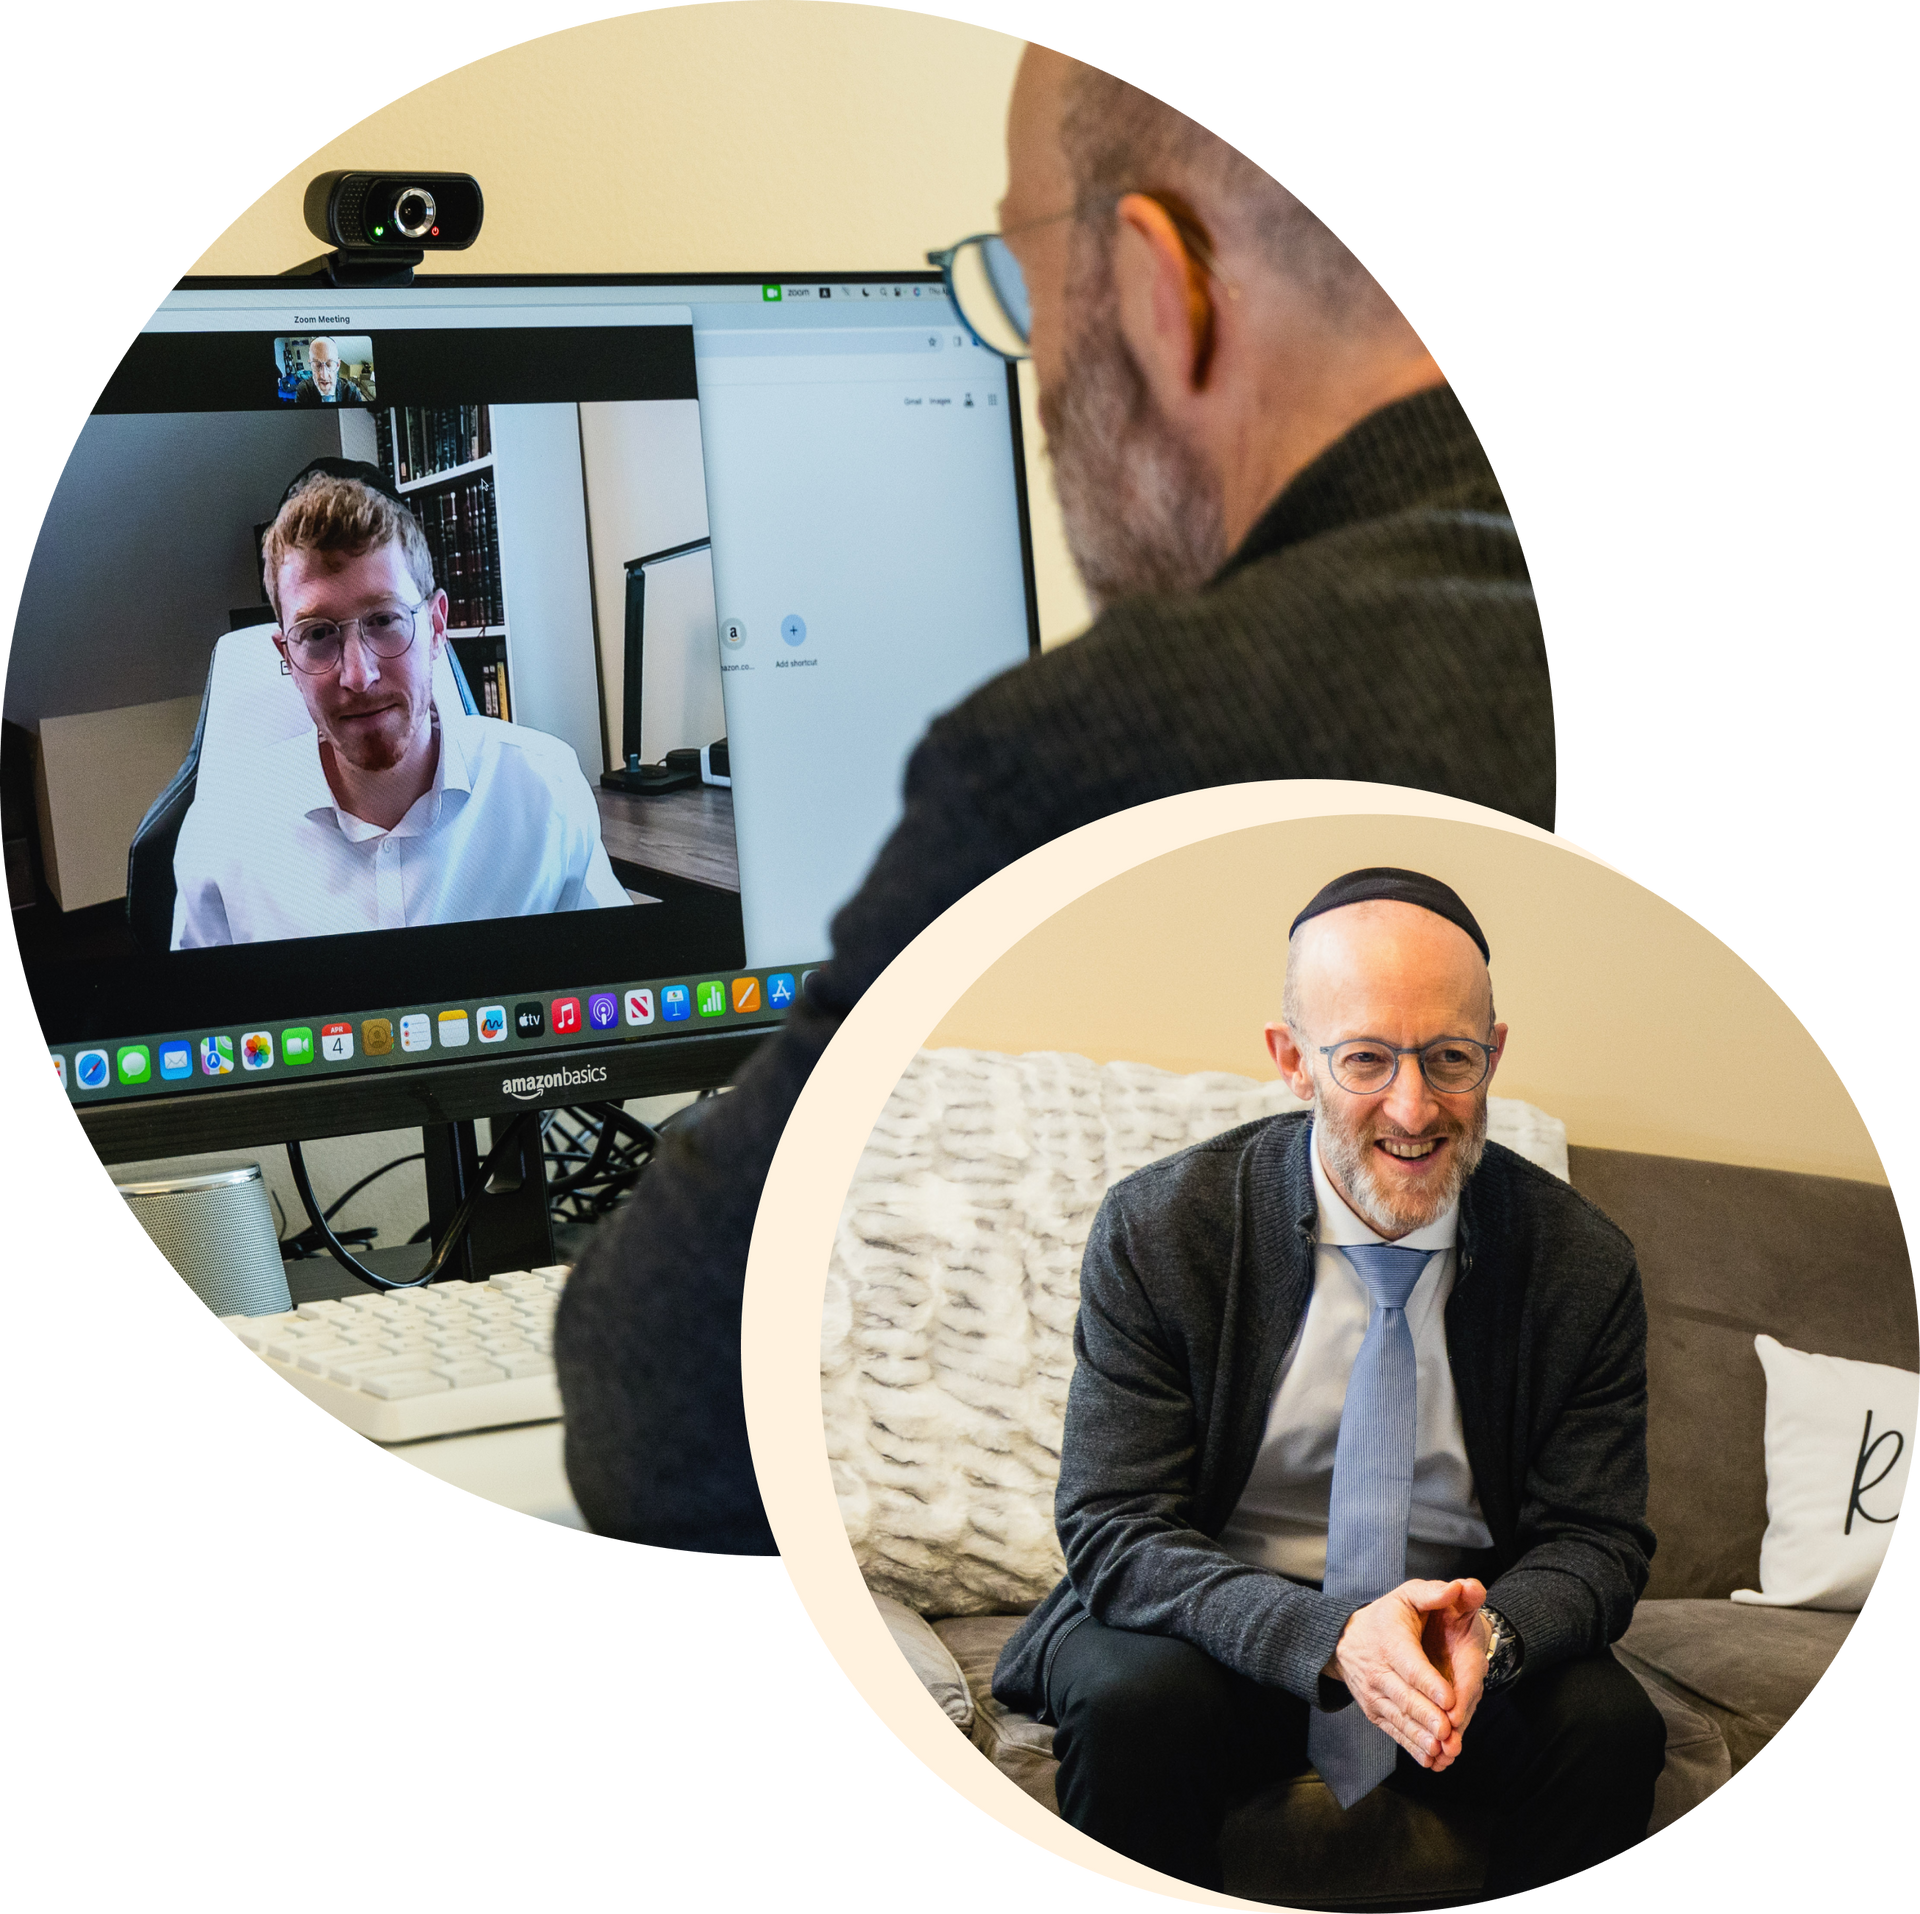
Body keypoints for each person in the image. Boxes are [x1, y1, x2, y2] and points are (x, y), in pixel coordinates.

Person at [556, 45, 1559, 1553]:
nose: (1026, 376)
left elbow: (665, 1411)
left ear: (1164, 288)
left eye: (1023, 288)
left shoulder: (1134, 728)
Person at [989, 868, 1665, 1898]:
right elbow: (1113, 1525)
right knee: (1136, 1702)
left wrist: (1495, 1633)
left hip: (1454, 1640)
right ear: (1292, 1061)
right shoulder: (1162, 1229)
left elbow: (1598, 1540)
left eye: (1450, 1059)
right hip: (1213, 1627)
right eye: (1364, 1059)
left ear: (1494, 1055)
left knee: (1610, 1726)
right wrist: (1330, 1638)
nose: (1413, 1106)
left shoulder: (1583, 1265)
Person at [171, 462, 627, 945]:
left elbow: (613, 988)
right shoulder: (220, 833)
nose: (358, 675)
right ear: (287, 654)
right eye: (318, 634)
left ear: (435, 627)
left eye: (384, 620)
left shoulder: (544, 791)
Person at [295, 336, 362, 406]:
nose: (324, 375)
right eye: (317, 365)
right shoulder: (303, 390)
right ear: (311, 365)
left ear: (338, 365)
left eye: (329, 365)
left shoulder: (351, 390)